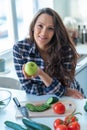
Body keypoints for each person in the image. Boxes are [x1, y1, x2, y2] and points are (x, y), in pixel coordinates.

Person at [13, 7, 85, 99]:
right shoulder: (20, 49)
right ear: (33, 27)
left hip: (70, 97)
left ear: (55, 32)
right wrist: (58, 89)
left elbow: (64, 88)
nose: (43, 33)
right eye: (40, 26)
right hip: (37, 100)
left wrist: (41, 73)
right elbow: (28, 88)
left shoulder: (66, 50)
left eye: (50, 28)